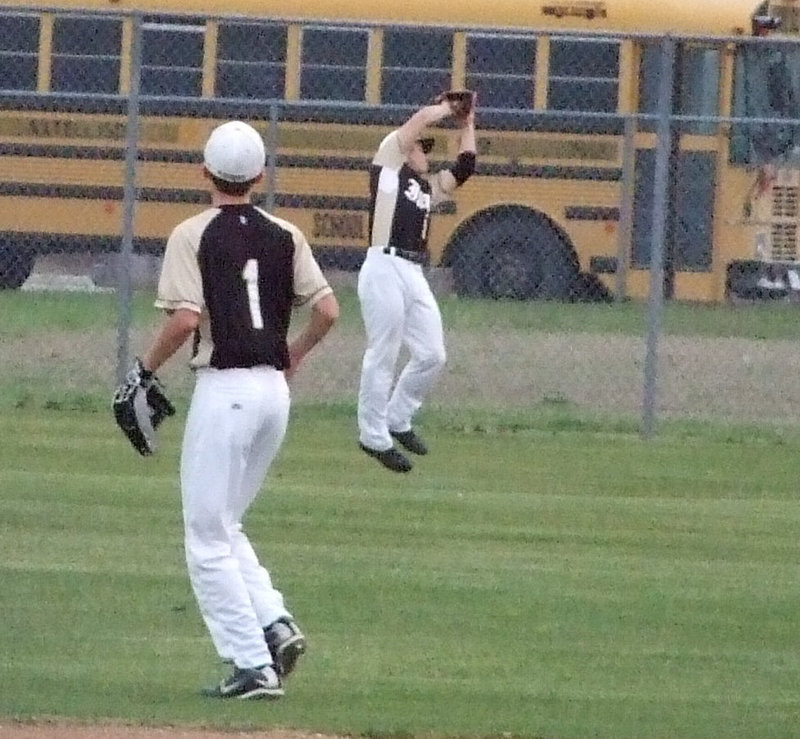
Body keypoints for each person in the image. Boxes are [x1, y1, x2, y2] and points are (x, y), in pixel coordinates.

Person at [116, 120, 339, 699]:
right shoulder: (287, 233)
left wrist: (142, 371)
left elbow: (187, 319)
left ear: (203, 173)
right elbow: (329, 309)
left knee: (204, 536)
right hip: (273, 394)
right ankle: (275, 622)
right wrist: (294, 355)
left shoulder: (193, 233)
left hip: (226, 391)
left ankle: (252, 665)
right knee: (225, 523)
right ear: (260, 177)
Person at [357, 92, 477, 473]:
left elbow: (466, 165)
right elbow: (418, 122)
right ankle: (373, 435)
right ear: (407, 152)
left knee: (432, 354)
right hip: (383, 265)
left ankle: (398, 418)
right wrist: (444, 108)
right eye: (422, 148)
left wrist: (468, 122)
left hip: (413, 271)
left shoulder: (428, 188)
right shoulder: (387, 170)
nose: (426, 152)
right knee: (384, 352)